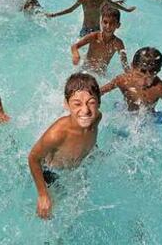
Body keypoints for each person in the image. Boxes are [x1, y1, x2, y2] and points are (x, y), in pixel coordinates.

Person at [28, 73, 102, 219]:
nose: (85, 110)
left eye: (91, 102)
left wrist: (95, 151)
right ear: (66, 105)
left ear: (99, 102)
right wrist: (43, 194)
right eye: (77, 104)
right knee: (52, 214)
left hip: (76, 166)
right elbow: (33, 158)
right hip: (52, 173)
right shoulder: (57, 134)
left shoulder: (97, 117)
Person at [101, 47, 162, 143]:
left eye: (151, 77)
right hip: (127, 112)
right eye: (140, 75)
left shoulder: (159, 88)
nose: (144, 81)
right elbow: (100, 91)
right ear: (132, 67)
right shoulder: (123, 80)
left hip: (148, 117)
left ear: (158, 72)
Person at [71, 8, 129, 75]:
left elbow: (125, 64)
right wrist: (76, 55)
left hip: (101, 74)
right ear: (101, 23)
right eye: (105, 22)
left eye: (112, 23)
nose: (108, 26)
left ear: (118, 25)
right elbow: (74, 46)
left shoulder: (118, 43)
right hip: (86, 70)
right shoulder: (94, 36)